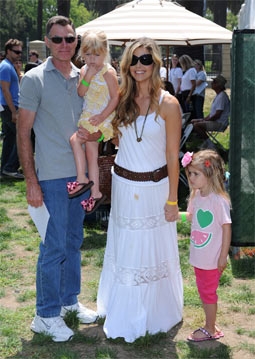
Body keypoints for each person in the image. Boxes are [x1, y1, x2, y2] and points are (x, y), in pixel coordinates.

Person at [17, 15, 98, 343]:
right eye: (58, 39)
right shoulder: (34, 79)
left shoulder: (86, 77)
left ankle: (68, 302)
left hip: (81, 178)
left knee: (73, 243)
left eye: (70, 39)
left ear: (76, 41)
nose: (65, 44)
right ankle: (45, 315)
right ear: (47, 41)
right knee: (53, 247)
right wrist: (30, 181)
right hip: (50, 177)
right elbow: (23, 133)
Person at [97, 37, 183, 343]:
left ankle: (152, 312)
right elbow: (114, 137)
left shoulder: (169, 104)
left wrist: (173, 199)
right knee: (126, 247)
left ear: (156, 63)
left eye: (146, 59)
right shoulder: (120, 98)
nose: (139, 66)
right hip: (123, 186)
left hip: (155, 189)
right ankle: (122, 308)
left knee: (151, 250)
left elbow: (173, 156)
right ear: (126, 65)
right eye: (134, 60)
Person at [180, 150, 231, 342]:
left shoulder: (219, 201)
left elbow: (227, 229)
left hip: (211, 259)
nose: (191, 178)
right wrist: (173, 215)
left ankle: (210, 328)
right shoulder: (196, 196)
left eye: (195, 174)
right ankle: (211, 323)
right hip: (199, 256)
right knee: (204, 291)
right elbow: (191, 218)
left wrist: (222, 256)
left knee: (208, 293)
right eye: (190, 173)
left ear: (210, 175)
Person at [67, 29, 119, 214]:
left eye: (96, 55)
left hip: (101, 118)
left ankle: (81, 179)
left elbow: (115, 98)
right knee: (92, 157)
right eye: (87, 54)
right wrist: (87, 76)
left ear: (104, 52)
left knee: (75, 140)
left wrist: (103, 116)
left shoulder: (108, 72)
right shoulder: (83, 70)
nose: (92, 59)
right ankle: (95, 193)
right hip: (88, 117)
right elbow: (81, 92)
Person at [0, 38, 24, 179]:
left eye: (20, 52)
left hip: (8, 107)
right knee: (22, 137)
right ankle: (10, 167)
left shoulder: (9, 66)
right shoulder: (5, 67)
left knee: (10, 139)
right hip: (10, 107)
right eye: (16, 52)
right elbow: (5, 90)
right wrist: (14, 112)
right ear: (8, 51)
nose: (19, 54)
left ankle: (4, 169)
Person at [191, 75, 230, 141]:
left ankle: (209, 144)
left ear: (219, 85)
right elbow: (212, 114)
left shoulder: (222, 97)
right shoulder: (219, 95)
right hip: (216, 121)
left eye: (214, 82)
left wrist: (204, 121)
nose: (212, 83)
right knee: (193, 122)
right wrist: (202, 119)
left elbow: (217, 115)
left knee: (196, 125)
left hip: (220, 123)